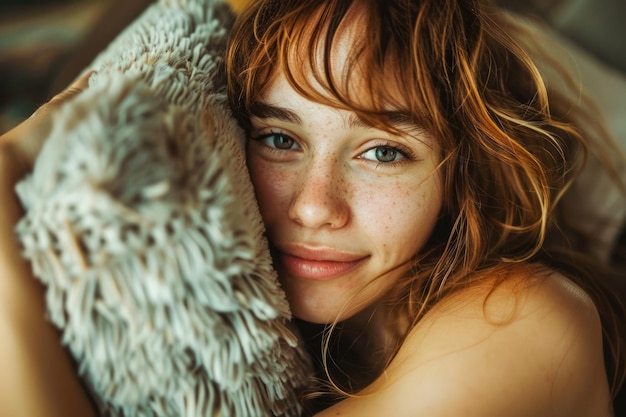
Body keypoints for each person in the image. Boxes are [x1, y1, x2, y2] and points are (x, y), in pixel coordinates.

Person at [0, 1, 624, 416]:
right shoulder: (281, 334)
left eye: (383, 152)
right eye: (280, 139)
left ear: (459, 173)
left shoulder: (523, 320)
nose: (314, 207)